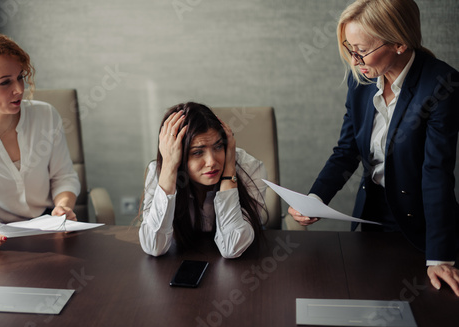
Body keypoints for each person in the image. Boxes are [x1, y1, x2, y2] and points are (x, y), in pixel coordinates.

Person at [289, 0, 459, 296]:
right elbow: (346, 151)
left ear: (400, 44)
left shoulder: (441, 85)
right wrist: (315, 198)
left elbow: (436, 174)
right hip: (371, 214)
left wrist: (439, 257)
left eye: (362, 50)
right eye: (349, 48)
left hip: (422, 223)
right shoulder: (363, 81)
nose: (354, 61)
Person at [0, 31, 80, 249]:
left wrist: (63, 206)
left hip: (45, 233)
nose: (19, 89)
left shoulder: (46, 116)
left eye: (20, 77)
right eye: (5, 83)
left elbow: (64, 177)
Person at [139, 102, 267, 258]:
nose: (211, 161)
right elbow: (154, 246)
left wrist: (229, 173)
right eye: (198, 152)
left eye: (218, 146)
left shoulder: (250, 168)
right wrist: (169, 168)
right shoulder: (160, 172)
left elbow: (232, 247)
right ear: (178, 153)